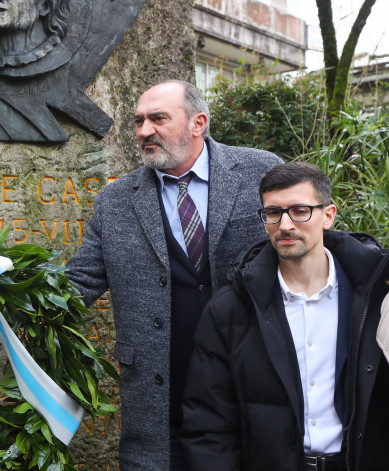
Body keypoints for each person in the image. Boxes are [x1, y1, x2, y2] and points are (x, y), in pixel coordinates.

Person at [63, 80, 282, 470]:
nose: (144, 131)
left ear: (198, 123)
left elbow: (311, 239)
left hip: (251, 396)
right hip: (159, 406)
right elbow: (77, 283)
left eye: (158, 119)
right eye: (139, 121)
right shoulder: (116, 201)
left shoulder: (260, 171)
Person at [180, 162, 388, 471]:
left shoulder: (377, 297)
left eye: (300, 210)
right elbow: (209, 424)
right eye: (274, 213)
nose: (286, 225)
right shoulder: (231, 309)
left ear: (328, 215)